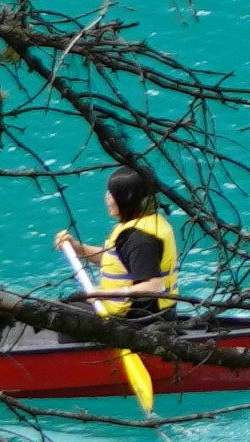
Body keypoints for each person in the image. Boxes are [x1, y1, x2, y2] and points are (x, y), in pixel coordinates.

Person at [54, 165, 178, 418]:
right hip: (136, 313)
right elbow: (113, 261)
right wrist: (76, 247)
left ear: (126, 199)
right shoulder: (139, 225)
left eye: (112, 194)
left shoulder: (140, 238)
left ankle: (76, 369)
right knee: (68, 305)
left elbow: (154, 286)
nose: (107, 199)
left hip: (140, 320)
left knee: (62, 314)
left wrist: (103, 294)